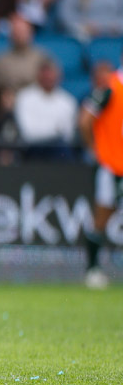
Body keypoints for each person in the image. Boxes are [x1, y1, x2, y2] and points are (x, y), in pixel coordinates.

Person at [79, 68, 123, 289]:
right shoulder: (111, 88)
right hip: (113, 165)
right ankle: (92, 270)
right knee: (102, 217)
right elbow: (85, 119)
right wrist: (95, 149)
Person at [14, 60, 76, 160]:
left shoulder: (68, 101)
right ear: (38, 75)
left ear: (58, 76)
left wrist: (44, 131)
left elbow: (68, 135)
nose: (48, 78)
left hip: (58, 150)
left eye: (51, 74)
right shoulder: (24, 98)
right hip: (32, 150)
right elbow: (28, 134)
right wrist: (55, 131)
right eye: (45, 74)